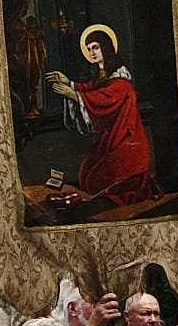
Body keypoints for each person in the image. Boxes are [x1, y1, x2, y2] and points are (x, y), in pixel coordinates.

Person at [45, 25, 156, 208]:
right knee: (87, 175)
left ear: (106, 46)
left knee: (97, 181)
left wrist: (74, 95)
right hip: (110, 140)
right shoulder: (104, 75)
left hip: (126, 144)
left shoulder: (121, 82)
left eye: (95, 47)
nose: (91, 52)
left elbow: (104, 98)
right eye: (88, 49)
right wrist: (69, 83)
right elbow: (92, 89)